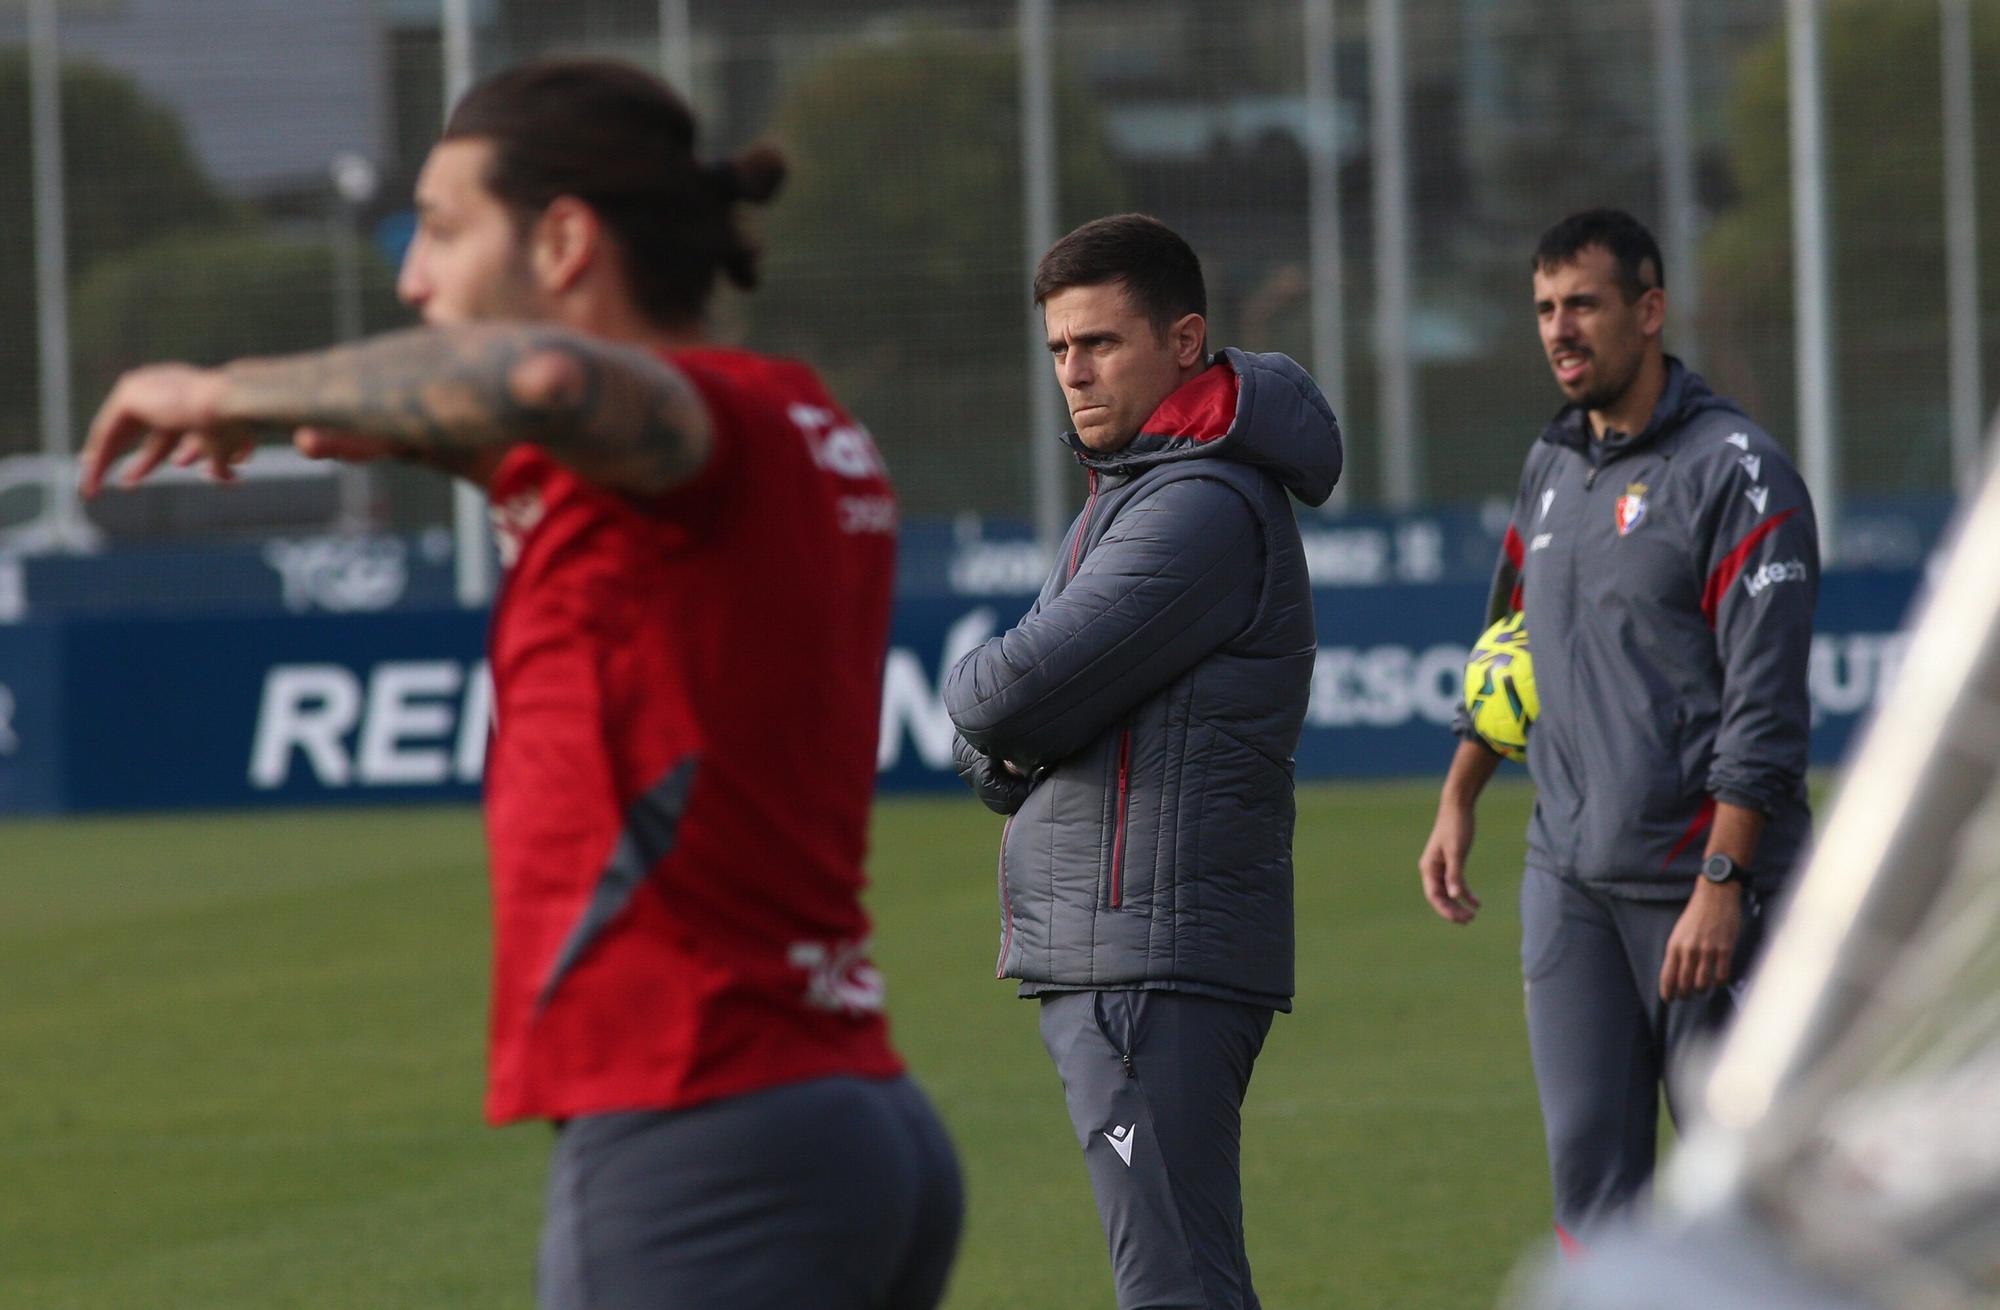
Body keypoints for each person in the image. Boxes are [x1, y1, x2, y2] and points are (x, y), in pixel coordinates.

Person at [79, 58, 961, 1310]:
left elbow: (541, 383)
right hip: (837, 1116)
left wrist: (226, 390)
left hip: (696, 1126)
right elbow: (565, 465)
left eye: (440, 230)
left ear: (560, 241)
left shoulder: (681, 425)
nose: (411, 278)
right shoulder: (792, 419)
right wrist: (430, 433)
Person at [942, 213, 1342, 1310]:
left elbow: (1000, 692)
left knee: (1174, 1284)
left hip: (1146, 956)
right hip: (1125, 948)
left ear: (1184, 340)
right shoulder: (1136, 489)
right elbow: (1011, 730)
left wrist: (996, 717)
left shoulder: (1196, 506)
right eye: (1059, 349)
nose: (1073, 372)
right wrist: (1010, 735)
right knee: (1181, 1277)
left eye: (1100, 343)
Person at [1417, 208, 1818, 1252]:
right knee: (1589, 1194)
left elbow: (1764, 709)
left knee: (1748, 1202)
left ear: (1648, 310)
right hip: (1571, 888)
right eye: (1544, 308)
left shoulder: (1737, 470)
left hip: (1708, 889)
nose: (1559, 328)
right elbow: (1510, 648)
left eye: (1582, 304)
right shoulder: (1548, 466)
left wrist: (1721, 888)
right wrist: (1459, 793)